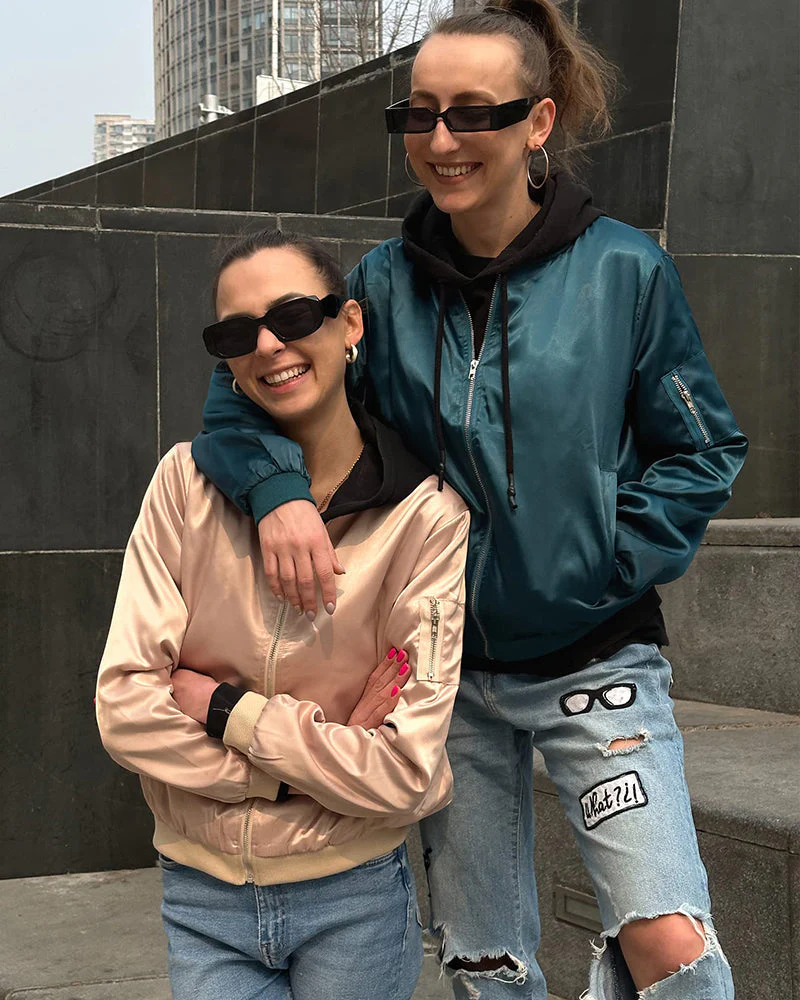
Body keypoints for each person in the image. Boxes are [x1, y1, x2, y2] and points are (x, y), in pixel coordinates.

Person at [190, 2, 747, 997]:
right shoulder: (377, 289)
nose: (440, 140)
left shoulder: (624, 269)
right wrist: (275, 494)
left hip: (597, 659)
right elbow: (245, 391)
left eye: (472, 114)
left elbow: (699, 445)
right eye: (420, 114)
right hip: (444, 679)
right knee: (483, 962)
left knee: (669, 944)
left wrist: (601, 563)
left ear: (535, 122)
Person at [95, 230, 470, 1000]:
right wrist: (299, 777)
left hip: (353, 898)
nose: (269, 345)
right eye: (237, 333)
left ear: (350, 325)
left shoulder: (425, 519)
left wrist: (224, 708)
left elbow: (405, 771)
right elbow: (125, 707)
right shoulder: (182, 487)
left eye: (295, 315)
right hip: (201, 897)